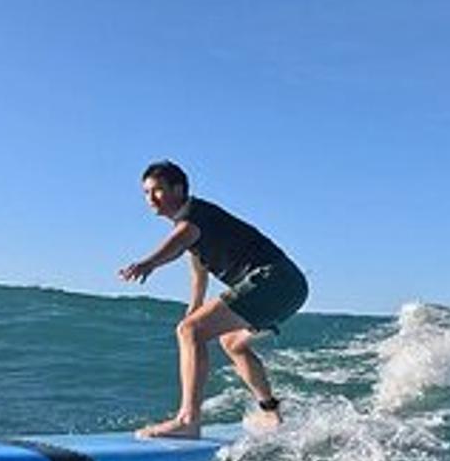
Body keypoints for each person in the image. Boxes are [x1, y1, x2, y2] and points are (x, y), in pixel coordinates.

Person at [117, 160, 308, 438]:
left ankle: (187, 420)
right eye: (146, 193)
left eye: (157, 190)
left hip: (273, 280)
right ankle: (272, 412)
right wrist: (193, 309)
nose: (150, 198)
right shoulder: (196, 226)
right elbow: (199, 273)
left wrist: (147, 263)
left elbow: (178, 242)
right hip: (289, 286)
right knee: (231, 342)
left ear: (178, 188)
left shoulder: (194, 216)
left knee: (190, 331)